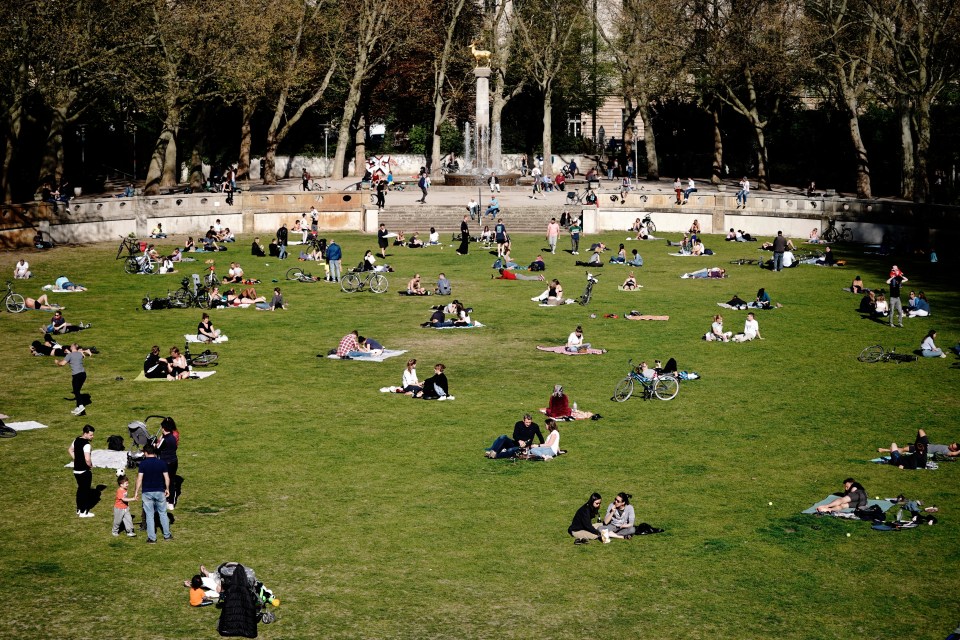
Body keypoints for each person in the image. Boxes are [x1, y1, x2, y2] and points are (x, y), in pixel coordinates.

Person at [133, 443, 173, 542]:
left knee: (149, 515)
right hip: (159, 491)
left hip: (147, 492)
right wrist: (167, 488)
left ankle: (152, 538)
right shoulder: (162, 463)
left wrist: (136, 492)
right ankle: (167, 535)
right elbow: (167, 478)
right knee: (163, 513)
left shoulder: (143, 464)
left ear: (146, 452)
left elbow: (139, 479)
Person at [68, 424, 96, 517]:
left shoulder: (76, 440)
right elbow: (87, 459)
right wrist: (90, 465)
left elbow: (70, 450)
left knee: (80, 490)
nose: (92, 437)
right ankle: (84, 512)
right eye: (91, 435)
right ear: (85, 433)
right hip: (84, 471)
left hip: (76, 470)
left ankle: (78, 509)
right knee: (85, 491)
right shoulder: (87, 445)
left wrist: (76, 460)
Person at [57, 344, 88, 415]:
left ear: (72, 347)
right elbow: (82, 355)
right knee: (77, 391)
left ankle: (80, 406)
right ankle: (78, 407)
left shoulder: (70, 355)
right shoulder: (79, 354)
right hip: (83, 374)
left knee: (76, 391)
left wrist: (57, 362)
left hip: (76, 375)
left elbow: (62, 364)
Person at [156, 419, 179, 509]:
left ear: (164, 428)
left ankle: (165, 499)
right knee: (172, 481)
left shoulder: (164, 439)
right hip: (174, 461)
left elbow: (157, 449)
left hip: (165, 463)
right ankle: (171, 503)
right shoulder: (173, 437)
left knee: (164, 481)